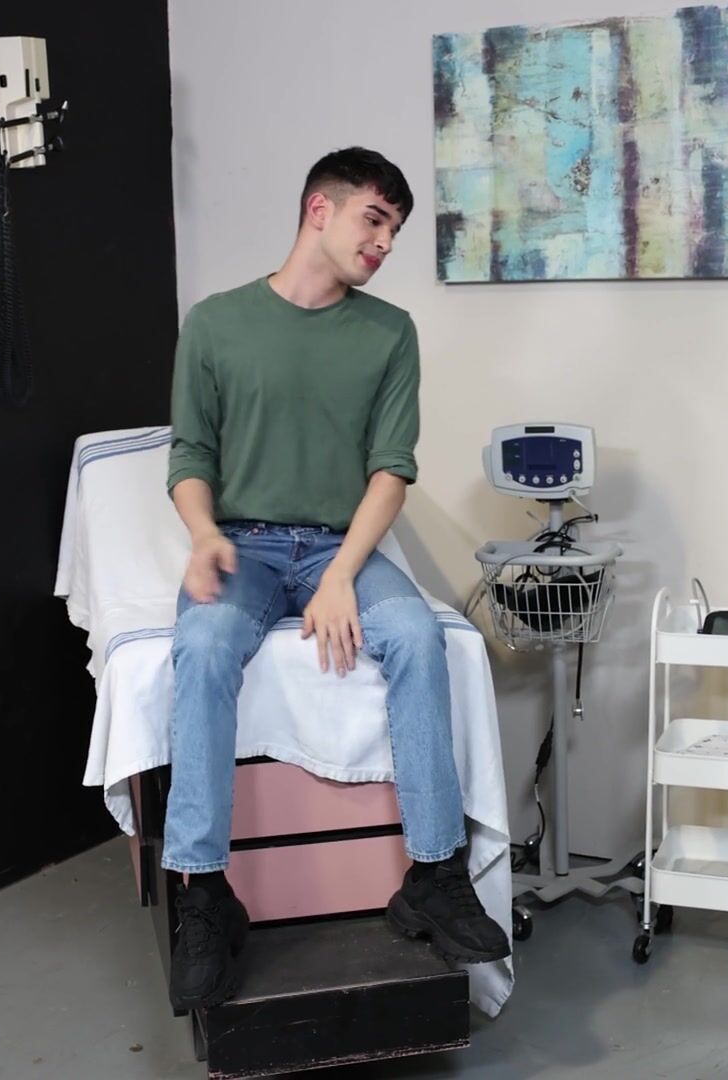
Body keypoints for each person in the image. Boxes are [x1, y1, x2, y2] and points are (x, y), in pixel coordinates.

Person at [161, 147, 509, 1011]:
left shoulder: (389, 333)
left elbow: (391, 471)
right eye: (374, 220)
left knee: (419, 635)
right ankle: (203, 894)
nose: (385, 243)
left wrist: (342, 575)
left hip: (334, 546)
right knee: (203, 644)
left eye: (395, 230)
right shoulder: (215, 324)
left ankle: (433, 873)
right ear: (320, 209)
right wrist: (202, 536)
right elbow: (190, 454)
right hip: (241, 546)